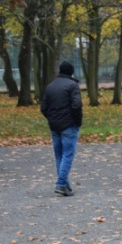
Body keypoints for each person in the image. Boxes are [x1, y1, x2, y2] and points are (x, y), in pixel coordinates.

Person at [41, 60, 83, 196]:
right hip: (69, 125)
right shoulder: (73, 86)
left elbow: (44, 108)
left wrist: (51, 119)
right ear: (71, 72)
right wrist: (77, 121)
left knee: (59, 155)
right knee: (68, 154)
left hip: (54, 125)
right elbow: (77, 105)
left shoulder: (50, 86)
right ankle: (61, 184)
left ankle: (64, 182)